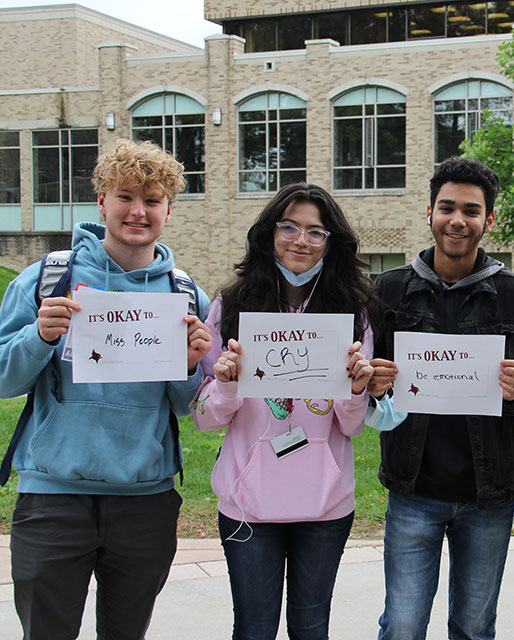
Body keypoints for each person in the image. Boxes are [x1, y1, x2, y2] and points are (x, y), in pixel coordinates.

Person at [0, 139, 212, 639]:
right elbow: (6, 380)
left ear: (168, 209)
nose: (138, 211)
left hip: (144, 500)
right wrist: (40, 336)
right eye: (125, 196)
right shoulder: (47, 279)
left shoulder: (185, 295)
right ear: (101, 201)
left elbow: (189, 408)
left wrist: (188, 367)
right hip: (54, 498)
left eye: (152, 200)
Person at [189, 183, 379, 640]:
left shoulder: (353, 312)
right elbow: (203, 417)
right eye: (289, 226)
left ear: (332, 242)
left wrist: (355, 389)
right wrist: (228, 386)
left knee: (311, 629)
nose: (301, 240)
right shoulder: (231, 305)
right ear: (269, 233)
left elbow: (352, 425)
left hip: (326, 505)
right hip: (247, 507)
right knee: (253, 630)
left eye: (316, 232)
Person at [369, 156, 514, 640]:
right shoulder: (389, 291)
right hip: (413, 488)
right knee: (402, 625)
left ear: (488, 220)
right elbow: (365, 383)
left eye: (471, 210)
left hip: (487, 493)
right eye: (447, 207)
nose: (457, 220)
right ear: (429, 212)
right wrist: (375, 381)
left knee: (472, 626)